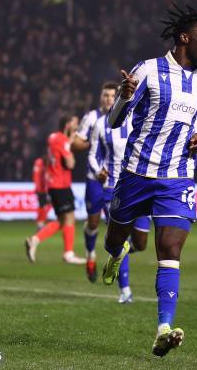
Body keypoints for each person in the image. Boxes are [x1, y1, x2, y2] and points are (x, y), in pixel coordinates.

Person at [101, 4, 197, 356]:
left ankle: (163, 327)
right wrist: (123, 97)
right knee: (114, 240)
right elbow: (113, 121)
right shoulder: (149, 71)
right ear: (185, 38)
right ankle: (116, 252)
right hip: (137, 173)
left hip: (178, 178)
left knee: (170, 251)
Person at [87, 109, 152, 302]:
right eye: (106, 95)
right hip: (112, 188)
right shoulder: (101, 123)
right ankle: (125, 291)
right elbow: (92, 154)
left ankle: (120, 251)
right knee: (120, 237)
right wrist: (98, 171)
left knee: (140, 243)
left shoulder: (141, 117)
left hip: (141, 186)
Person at [71, 82, 119, 280]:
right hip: (94, 178)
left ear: (117, 98)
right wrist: (96, 140)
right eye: (105, 95)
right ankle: (90, 254)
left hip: (115, 179)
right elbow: (75, 142)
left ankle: (114, 262)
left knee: (115, 224)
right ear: (100, 97)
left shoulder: (123, 118)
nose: (108, 99)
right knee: (93, 223)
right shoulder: (92, 118)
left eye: (111, 96)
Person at [25, 115, 86, 264]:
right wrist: (71, 149)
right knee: (69, 218)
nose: (77, 126)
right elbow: (70, 163)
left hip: (53, 183)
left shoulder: (54, 137)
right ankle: (68, 253)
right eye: (75, 123)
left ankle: (35, 240)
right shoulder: (62, 140)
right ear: (67, 125)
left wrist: (70, 141)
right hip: (61, 184)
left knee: (62, 220)